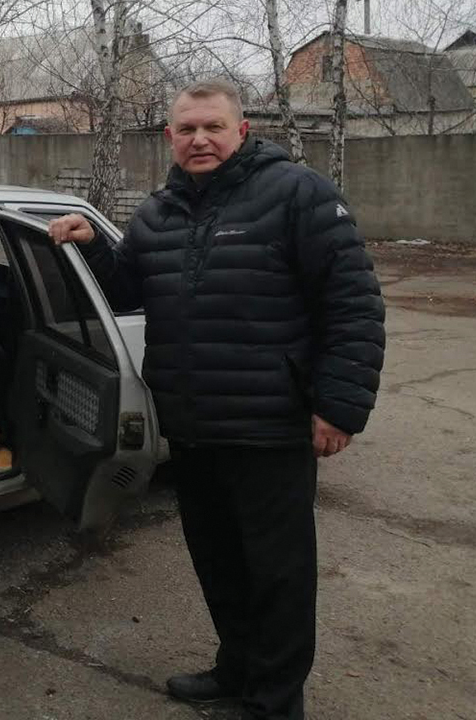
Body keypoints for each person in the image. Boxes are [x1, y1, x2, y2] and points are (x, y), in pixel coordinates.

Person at [49, 80, 385, 720]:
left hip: (271, 424)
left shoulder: (297, 195)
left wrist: (340, 407)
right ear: (170, 138)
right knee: (219, 560)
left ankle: (275, 700)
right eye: (186, 129)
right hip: (194, 422)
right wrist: (94, 248)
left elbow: (354, 306)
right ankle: (236, 669)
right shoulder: (158, 211)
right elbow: (132, 286)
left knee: (278, 573)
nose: (199, 139)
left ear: (241, 132)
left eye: (213, 127)